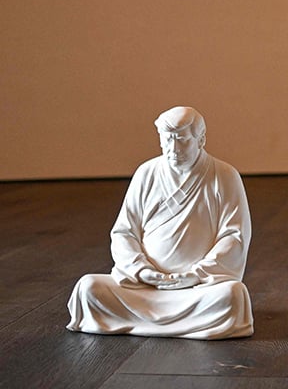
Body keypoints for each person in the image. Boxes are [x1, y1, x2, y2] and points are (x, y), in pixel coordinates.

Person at [66, 106, 253, 340]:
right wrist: (142, 270)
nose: (173, 150)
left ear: (201, 139)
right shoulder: (146, 173)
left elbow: (234, 236)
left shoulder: (224, 176)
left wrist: (196, 274)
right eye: (167, 141)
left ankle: (149, 321)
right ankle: (184, 325)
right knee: (88, 288)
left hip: (196, 289)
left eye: (182, 140)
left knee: (233, 295)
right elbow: (124, 232)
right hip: (146, 288)